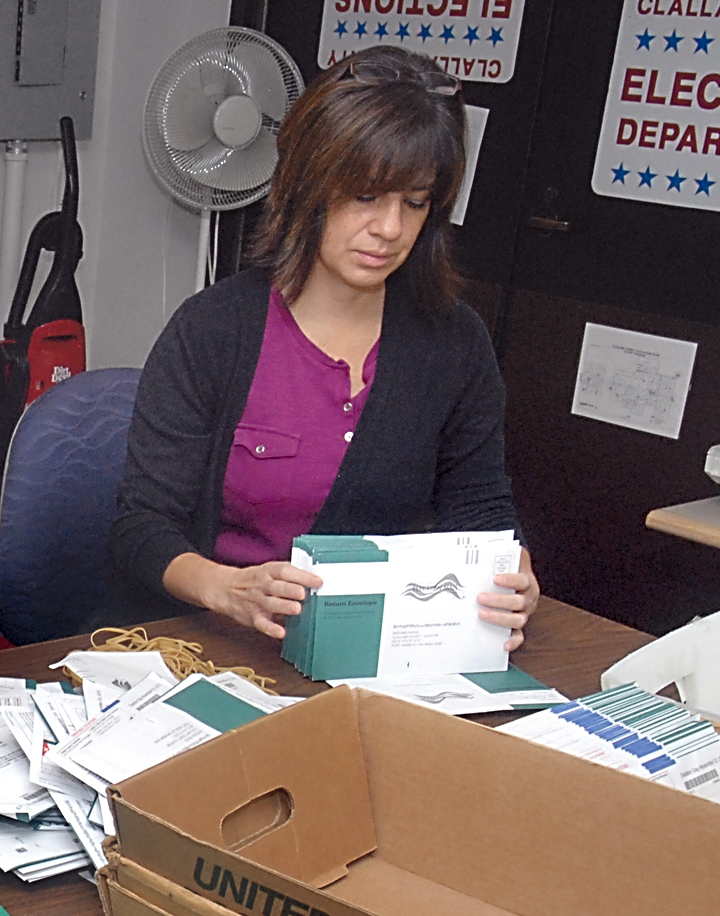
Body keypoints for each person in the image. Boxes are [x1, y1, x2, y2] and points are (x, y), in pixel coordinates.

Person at [111, 46, 538, 647]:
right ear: (309, 186)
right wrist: (226, 588)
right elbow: (141, 529)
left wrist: (512, 575)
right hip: (222, 640)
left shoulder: (454, 342)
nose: (390, 228)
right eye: (365, 196)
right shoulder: (213, 331)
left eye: (414, 202)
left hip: (375, 647)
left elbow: (482, 512)